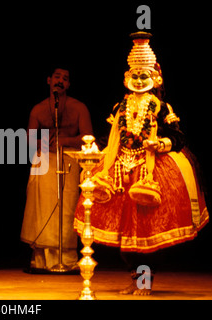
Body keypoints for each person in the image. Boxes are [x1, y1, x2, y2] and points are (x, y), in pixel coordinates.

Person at [74, 32, 209, 295]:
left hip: (151, 171)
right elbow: (108, 136)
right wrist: (95, 150)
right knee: (125, 233)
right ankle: (135, 279)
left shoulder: (160, 106)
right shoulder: (119, 107)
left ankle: (146, 281)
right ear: (126, 78)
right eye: (134, 76)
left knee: (147, 232)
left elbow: (178, 137)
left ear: (155, 78)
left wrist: (159, 144)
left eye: (143, 76)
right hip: (120, 169)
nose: (138, 81)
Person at [21, 65, 93, 272]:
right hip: (44, 159)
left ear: (69, 84)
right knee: (41, 208)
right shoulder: (38, 109)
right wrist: (46, 145)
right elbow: (29, 139)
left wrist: (65, 140)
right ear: (49, 80)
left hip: (69, 158)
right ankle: (42, 260)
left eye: (65, 78)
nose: (61, 81)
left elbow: (89, 138)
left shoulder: (79, 107)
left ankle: (66, 258)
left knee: (67, 207)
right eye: (57, 77)